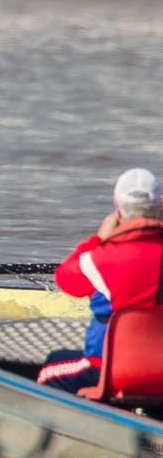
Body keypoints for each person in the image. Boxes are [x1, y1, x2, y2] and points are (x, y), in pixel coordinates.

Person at [39, 167, 163, 393]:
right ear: (159, 206)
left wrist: (99, 239)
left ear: (117, 207)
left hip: (107, 370)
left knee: (50, 368)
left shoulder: (98, 259)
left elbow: (64, 279)